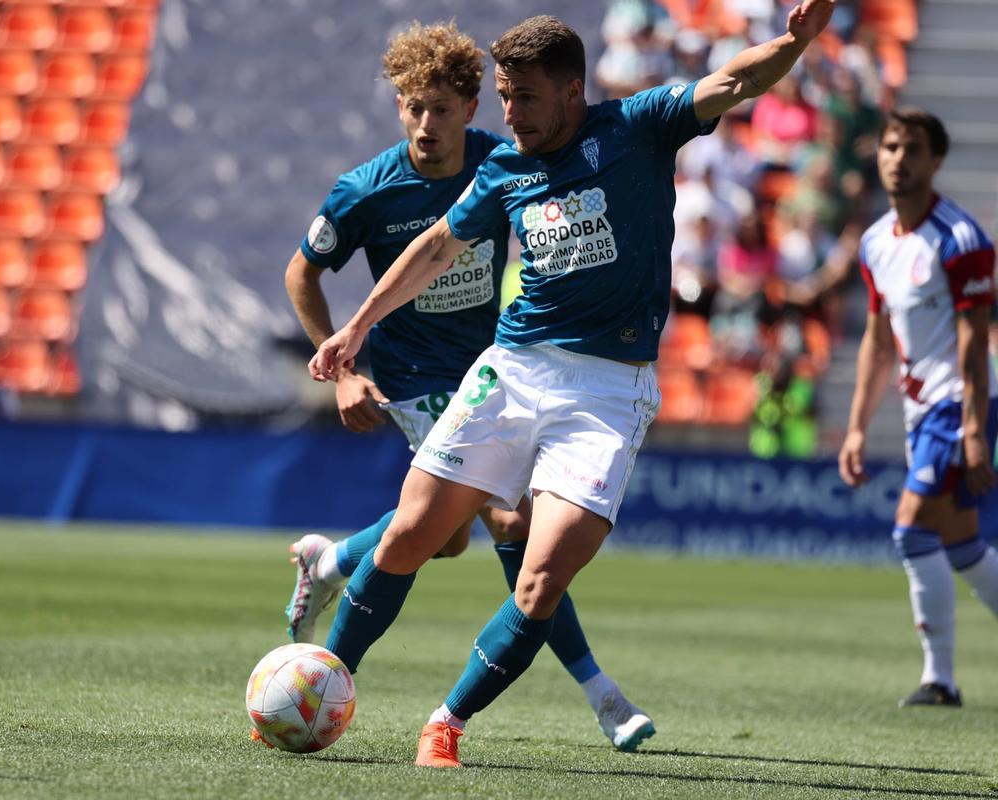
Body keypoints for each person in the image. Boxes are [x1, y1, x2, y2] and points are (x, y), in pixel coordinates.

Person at [309, 2, 835, 768]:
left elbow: (730, 81)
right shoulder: (504, 166)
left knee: (540, 577)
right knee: (412, 535)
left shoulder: (639, 126)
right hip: (513, 368)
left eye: (524, 95)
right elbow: (435, 246)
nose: (509, 112)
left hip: (608, 391)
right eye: (503, 94)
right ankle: (325, 680)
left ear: (572, 90)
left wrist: (793, 41)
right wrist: (355, 328)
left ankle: (446, 724)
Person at [281, 20, 654, 751]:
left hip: (496, 361)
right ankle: (600, 692)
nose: (426, 123)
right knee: (503, 526)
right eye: (413, 106)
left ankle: (327, 562)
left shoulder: (501, 161)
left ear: (473, 108)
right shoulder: (366, 190)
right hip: (415, 372)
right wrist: (347, 370)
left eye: (442, 108)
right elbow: (302, 273)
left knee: (449, 541)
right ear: (398, 107)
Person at [838, 108, 998, 708]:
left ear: (936, 160)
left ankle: (940, 680)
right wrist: (856, 427)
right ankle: (943, 680)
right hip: (920, 408)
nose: (898, 159)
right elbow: (878, 340)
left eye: (912, 149)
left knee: (910, 531)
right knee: (960, 546)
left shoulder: (960, 239)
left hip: (957, 405)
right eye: (890, 147)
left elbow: (974, 341)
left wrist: (977, 429)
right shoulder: (876, 241)